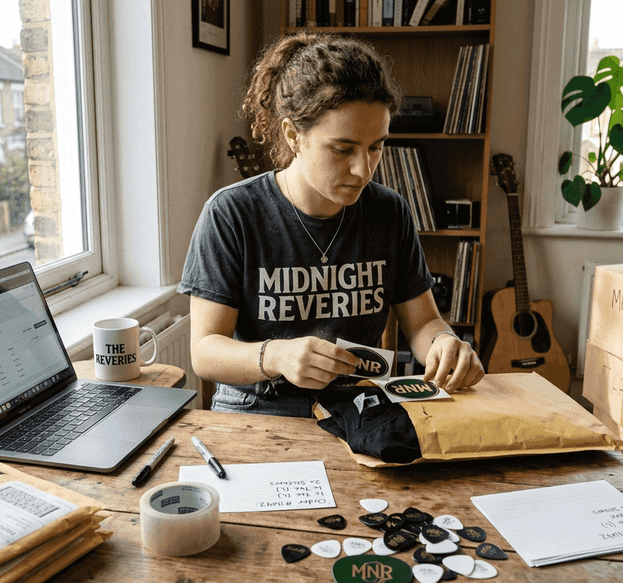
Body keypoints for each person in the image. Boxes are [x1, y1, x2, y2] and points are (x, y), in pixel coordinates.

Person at [178, 32, 484, 417]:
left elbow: (423, 321)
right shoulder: (231, 214)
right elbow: (205, 352)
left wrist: (444, 343)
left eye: (376, 146)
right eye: (343, 149)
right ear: (294, 135)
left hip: (356, 409)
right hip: (257, 409)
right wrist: (278, 355)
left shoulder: (390, 212)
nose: (364, 168)